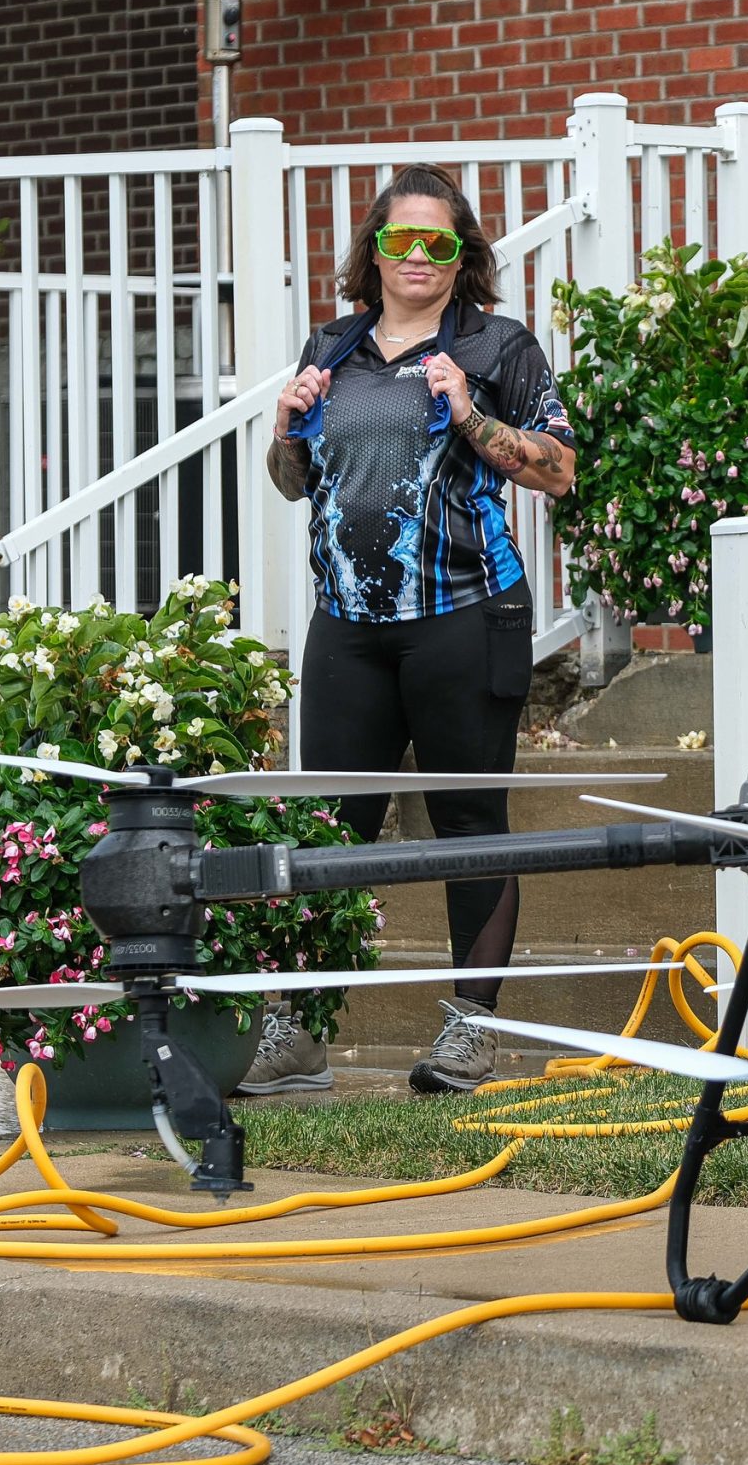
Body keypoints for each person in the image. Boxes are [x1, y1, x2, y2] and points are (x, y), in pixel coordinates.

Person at [238, 164, 577, 1095]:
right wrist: (284, 429)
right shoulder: (333, 345)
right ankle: (301, 1032)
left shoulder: (497, 345)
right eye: (401, 239)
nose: (418, 256)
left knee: (469, 821)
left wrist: (469, 413)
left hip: (465, 616)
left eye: (438, 241)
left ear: (462, 256)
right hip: (347, 624)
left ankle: (473, 1030)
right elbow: (295, 483)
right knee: (330, 828)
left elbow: (558, 470)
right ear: (375, 251)